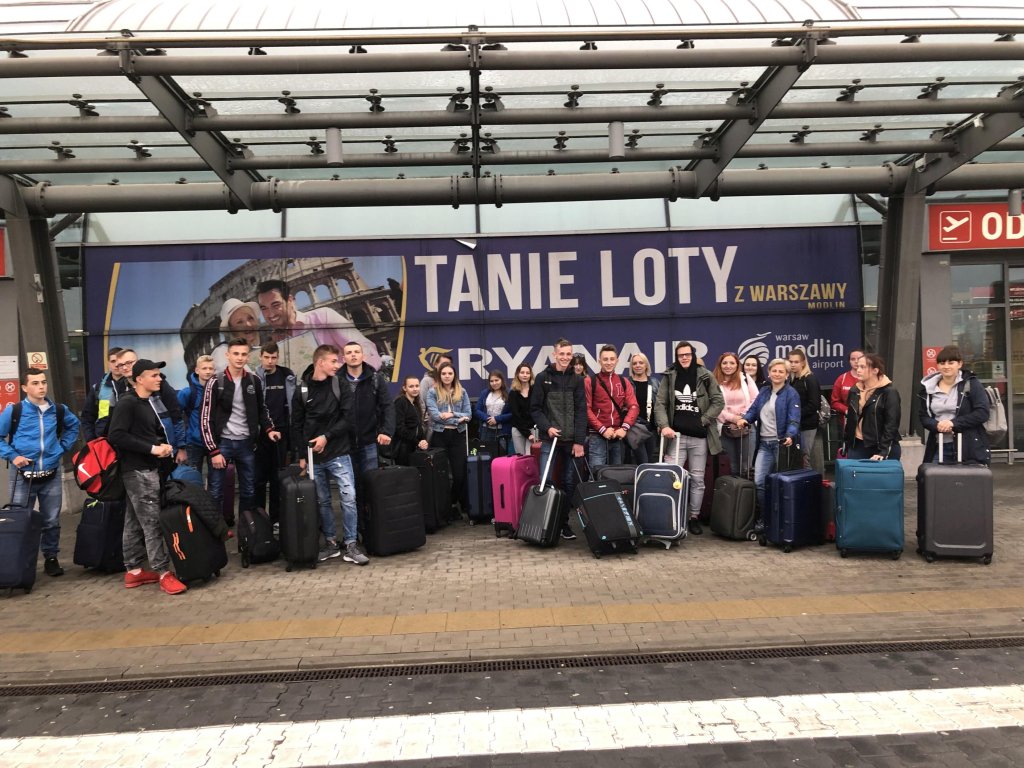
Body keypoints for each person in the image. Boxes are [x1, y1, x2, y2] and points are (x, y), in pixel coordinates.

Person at [107, 359, 188, 595]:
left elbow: (144, 434)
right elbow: (116, 435)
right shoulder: (128, 403)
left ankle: (134, 571)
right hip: (138, 471)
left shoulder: (146, 402)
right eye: (154, 375)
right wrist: (153, 449)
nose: (159, 379)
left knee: (133, 520)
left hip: (147, 469)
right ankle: (163, 572)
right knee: (152, 522)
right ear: (139, 379)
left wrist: (162, 447)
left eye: (159, 374)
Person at [291, 344, 369, 565]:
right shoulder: (302, 390)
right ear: (320, 362)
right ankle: (331, 543)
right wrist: (302, 455)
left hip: (339, 453)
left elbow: (348, 419)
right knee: (322, 501)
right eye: (334, 361)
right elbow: (296, 425)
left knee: (349, 498)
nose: (338, 365)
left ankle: (351, 544)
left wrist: (326, 437)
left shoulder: (340, 384)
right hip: (313, 457)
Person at [0, 367, 80, 578]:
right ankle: (19, 562)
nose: (41, 387)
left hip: (50, 474)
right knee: (20, 518)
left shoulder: (58, 410)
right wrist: (13, 456)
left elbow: (74, 426)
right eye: (35, 383)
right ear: (24, 387)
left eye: (43, 382)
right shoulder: (15, 411)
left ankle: (51, 558)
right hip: (22, 476)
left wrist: (61, 448)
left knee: (51, 520)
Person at [199, 338, 281, 526]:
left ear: (248, 357)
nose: (240, 358)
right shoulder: (215, 381)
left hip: (246, 444)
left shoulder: (254, 380)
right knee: (216, 491)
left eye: (244, 354)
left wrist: (269, 429)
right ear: (227, 355)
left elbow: (262, 409)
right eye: (235, 353)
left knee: (249, 491)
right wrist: (213, 450)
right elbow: (205, 418)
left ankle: (247, 531)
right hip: (222, 444)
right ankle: (216, 531)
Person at [653, 340, 724, 536]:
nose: (684, 358)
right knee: (671, 477)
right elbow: (660, 404)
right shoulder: (670, 375)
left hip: (699, 438)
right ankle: (671, 515)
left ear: (693, 355)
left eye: (687, 354)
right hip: (675, 436)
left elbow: (718, 401)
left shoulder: (705, 375)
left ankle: (694, 517)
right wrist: (664, 426)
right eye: (680, 355)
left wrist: (704, 420)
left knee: (697, 479)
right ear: (676, 357)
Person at [530, 338, 588, 540]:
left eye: (568, 354)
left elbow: (581, 412)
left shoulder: (577, 380)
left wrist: (579, 441)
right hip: (550, 440)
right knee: (545, 480)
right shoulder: (542, 378)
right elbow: (535, 409)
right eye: (561, 354)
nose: (565, 357)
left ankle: (563, 524)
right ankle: (546, 524)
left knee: (569, 483)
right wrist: (548, 427)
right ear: (554, 354)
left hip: (571, 442)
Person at [256, 279, 381, 370]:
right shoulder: (273, 344)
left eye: (276, 305)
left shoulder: (323, 317)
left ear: (290, 300)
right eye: (264, 308)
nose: (270, 314)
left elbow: (367, 350)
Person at [735, 358, 801, 530]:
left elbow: (794, 419)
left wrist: (790, 435)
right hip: (764, 444)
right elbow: (753, 411)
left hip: (782, 445)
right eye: (774, 371)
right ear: (769, 373)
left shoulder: (791, 393)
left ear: (787, 375)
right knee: (759, 482)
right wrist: (744, 419)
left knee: (781, 484)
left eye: (781, 371)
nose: (777, 374)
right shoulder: (764, 391)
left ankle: (782, 522)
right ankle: (764, 520)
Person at [341, 340, 394, 522]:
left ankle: (371, 526)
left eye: (356, 352)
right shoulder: (337, 380)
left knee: (370, 486)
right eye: (349, 352)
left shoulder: (375, 378)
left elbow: (388, 406)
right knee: (350, 489)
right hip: (344, 445)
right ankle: (354, 528)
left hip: (369, 442)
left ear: (363, 355)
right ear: (344, 357)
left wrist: (386, 431)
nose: (353, 355)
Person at [919, 345, 990, 465]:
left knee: (966, 477)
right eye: (942, 363)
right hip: (939, 445)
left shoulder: (971, 384)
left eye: (951, 363)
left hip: (968, 446)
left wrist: (953, 423)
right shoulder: (928, 388)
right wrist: (937, 425)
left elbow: (982, 413)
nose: (946, 366)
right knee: (933, 476)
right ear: (937, 365)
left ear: (959, 364)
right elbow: (923, 416)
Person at [253, 342, 296, 522]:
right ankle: (259, 519)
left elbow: (293, 404)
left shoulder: (287, 375)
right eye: (266, 357)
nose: (270, 361)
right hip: (260, 435)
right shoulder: (254, 378)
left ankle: (276, 519)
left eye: (273, 357)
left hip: (282, 433)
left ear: (278, 357)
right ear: (260, 357)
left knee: (277, 478)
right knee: (259, 479)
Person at [426, 361, 473, 519]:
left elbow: (469, 415)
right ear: (439, 375)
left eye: (450, 373)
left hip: (458, 436)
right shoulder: (432, 392)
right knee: (441, 475)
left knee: (459, 475)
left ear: (454, 375)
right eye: (444, 373)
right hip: (439, 435)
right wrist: (458, 419)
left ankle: (452, 503)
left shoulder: (462, 391)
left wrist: (452, 414)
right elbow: (435, 416)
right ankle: (444, 509)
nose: (447, 376)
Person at [585, 344, 639, 470]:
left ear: (617, 361)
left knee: (617, 475)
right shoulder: (589, 381)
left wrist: (624, 428)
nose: (609, 362)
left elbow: (634, 406)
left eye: (612, 359)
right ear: (599, 361)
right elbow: (586, 409)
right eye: (605, 359)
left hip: (617, 436)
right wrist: (602, 429)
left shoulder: (624, 381)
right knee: (597, 473)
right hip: (597, 436)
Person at [842, 352, 902, 461]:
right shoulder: (854, 390)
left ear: (875, 370)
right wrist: (847, 442)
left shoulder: (889, 392)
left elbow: (892, 424)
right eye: (857, 366)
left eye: (862, 367)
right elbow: (850, 418)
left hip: (880, 446)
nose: (858, 370)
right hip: (857, 445)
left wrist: (883, 450)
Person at [714, 352, 759, 475]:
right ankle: (733, 488)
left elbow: (756, 400)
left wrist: (743, 417)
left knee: (746, 467)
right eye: (725, 363)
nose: (728, 366)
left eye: (732, 363)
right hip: (725, 428)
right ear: (720, 365)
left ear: (737, 365)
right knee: (731, 467)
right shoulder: (713, 381)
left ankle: (746, 488)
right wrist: (733, 418)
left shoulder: (745, 378)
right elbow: (713, 405)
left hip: (746, 426)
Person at [178, 354, 216, 479]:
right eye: (204, 368)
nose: (208, 371)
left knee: (216, 481)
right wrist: (180, 445)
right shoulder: (187, 392)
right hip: (193, 443)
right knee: (193, 480)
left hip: (214, 443)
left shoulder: (218, 391)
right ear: (197, 370)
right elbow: (175, 417)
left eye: (210, 368)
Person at [787, 347, 823, 473]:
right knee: (798, 457)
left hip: (808, 424)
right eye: (790, 361)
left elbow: (814, 404)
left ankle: (810, 481)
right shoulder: (792, 380)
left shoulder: (810, 379)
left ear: (803, 362)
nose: (793, 364)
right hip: (795, 425)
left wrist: (795, 415)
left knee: (805, 457)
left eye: (796, 362)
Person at [79, 346, 124, 440]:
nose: (116, 365)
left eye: (119, 361)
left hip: (130, 439)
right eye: (113, 361)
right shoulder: (98, 388)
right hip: (104, 440)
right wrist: (91, 440)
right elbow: (87, 417)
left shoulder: (135, 385)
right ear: (108, 364)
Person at [211, 299, 262, 374]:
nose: (248, 325)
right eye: (239, 322)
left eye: (250, 318)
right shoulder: (222, 353)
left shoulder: (260, 350)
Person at [627, 352, 660, 464]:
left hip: (651, 429)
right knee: (642, 462)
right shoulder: (627, 383)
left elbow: (660, 406)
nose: (638, 365)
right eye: (634, 363)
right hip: (634, 428)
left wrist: (660, 424)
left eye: (641, 362)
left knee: (650, 461)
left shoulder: (655, 382)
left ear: (646, 365)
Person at [392, 375, 430, 466]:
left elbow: (418, 425)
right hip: (403, 448)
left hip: (414, 447)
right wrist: (418, 442)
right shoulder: (400, 402)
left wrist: (423, 440)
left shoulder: (416, 403)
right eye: (411, 386)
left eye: (417, 386)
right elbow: (399, 428)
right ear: (404, 388)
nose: (415, 389)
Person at [474, 370, 513, 453]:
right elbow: (477, 410)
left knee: (502, 455)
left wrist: (497, 419)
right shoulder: (484, 393)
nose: (494, 383)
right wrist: (487, 418)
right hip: (486, 430)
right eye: (491, 381)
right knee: (486, 455)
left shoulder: (510, 393)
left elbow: (513, 413)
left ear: (502, 380)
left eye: (496, 380)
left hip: (503, 431)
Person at [830, 349, 864, 430]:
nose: (856, 361)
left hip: (867, 421)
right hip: (847, 422)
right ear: (849, 361)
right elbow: (834, 402)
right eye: (853, 359)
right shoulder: (842, 379)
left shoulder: (870, 378)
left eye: (859, 358)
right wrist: (847, 410)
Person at [508, 363, 537, 456]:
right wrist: (528, 434)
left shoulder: (535, 390)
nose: (525, 375)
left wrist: (532, 433)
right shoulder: (513, 393)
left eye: (527, 373)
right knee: (521, 458)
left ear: (531, 375)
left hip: (533, 429)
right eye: (522, 372)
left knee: (531, 457)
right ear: (517, 374)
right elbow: (516, 416)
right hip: (518, 429)